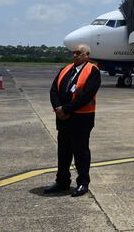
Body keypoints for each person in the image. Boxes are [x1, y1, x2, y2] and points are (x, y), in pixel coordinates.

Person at [44, 44, 101, 197]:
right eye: (74, 53)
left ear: (86, 55)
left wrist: (66, 109)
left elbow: (86, 95)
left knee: (81, 152)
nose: (75, 55)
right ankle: (62, 181)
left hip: (81, 119)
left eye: (79, 53)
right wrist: (57, 108)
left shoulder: (93, 71)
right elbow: (53, 90)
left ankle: (83, 183)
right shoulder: (65, 69)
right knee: (63, 152)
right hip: (63, 119)